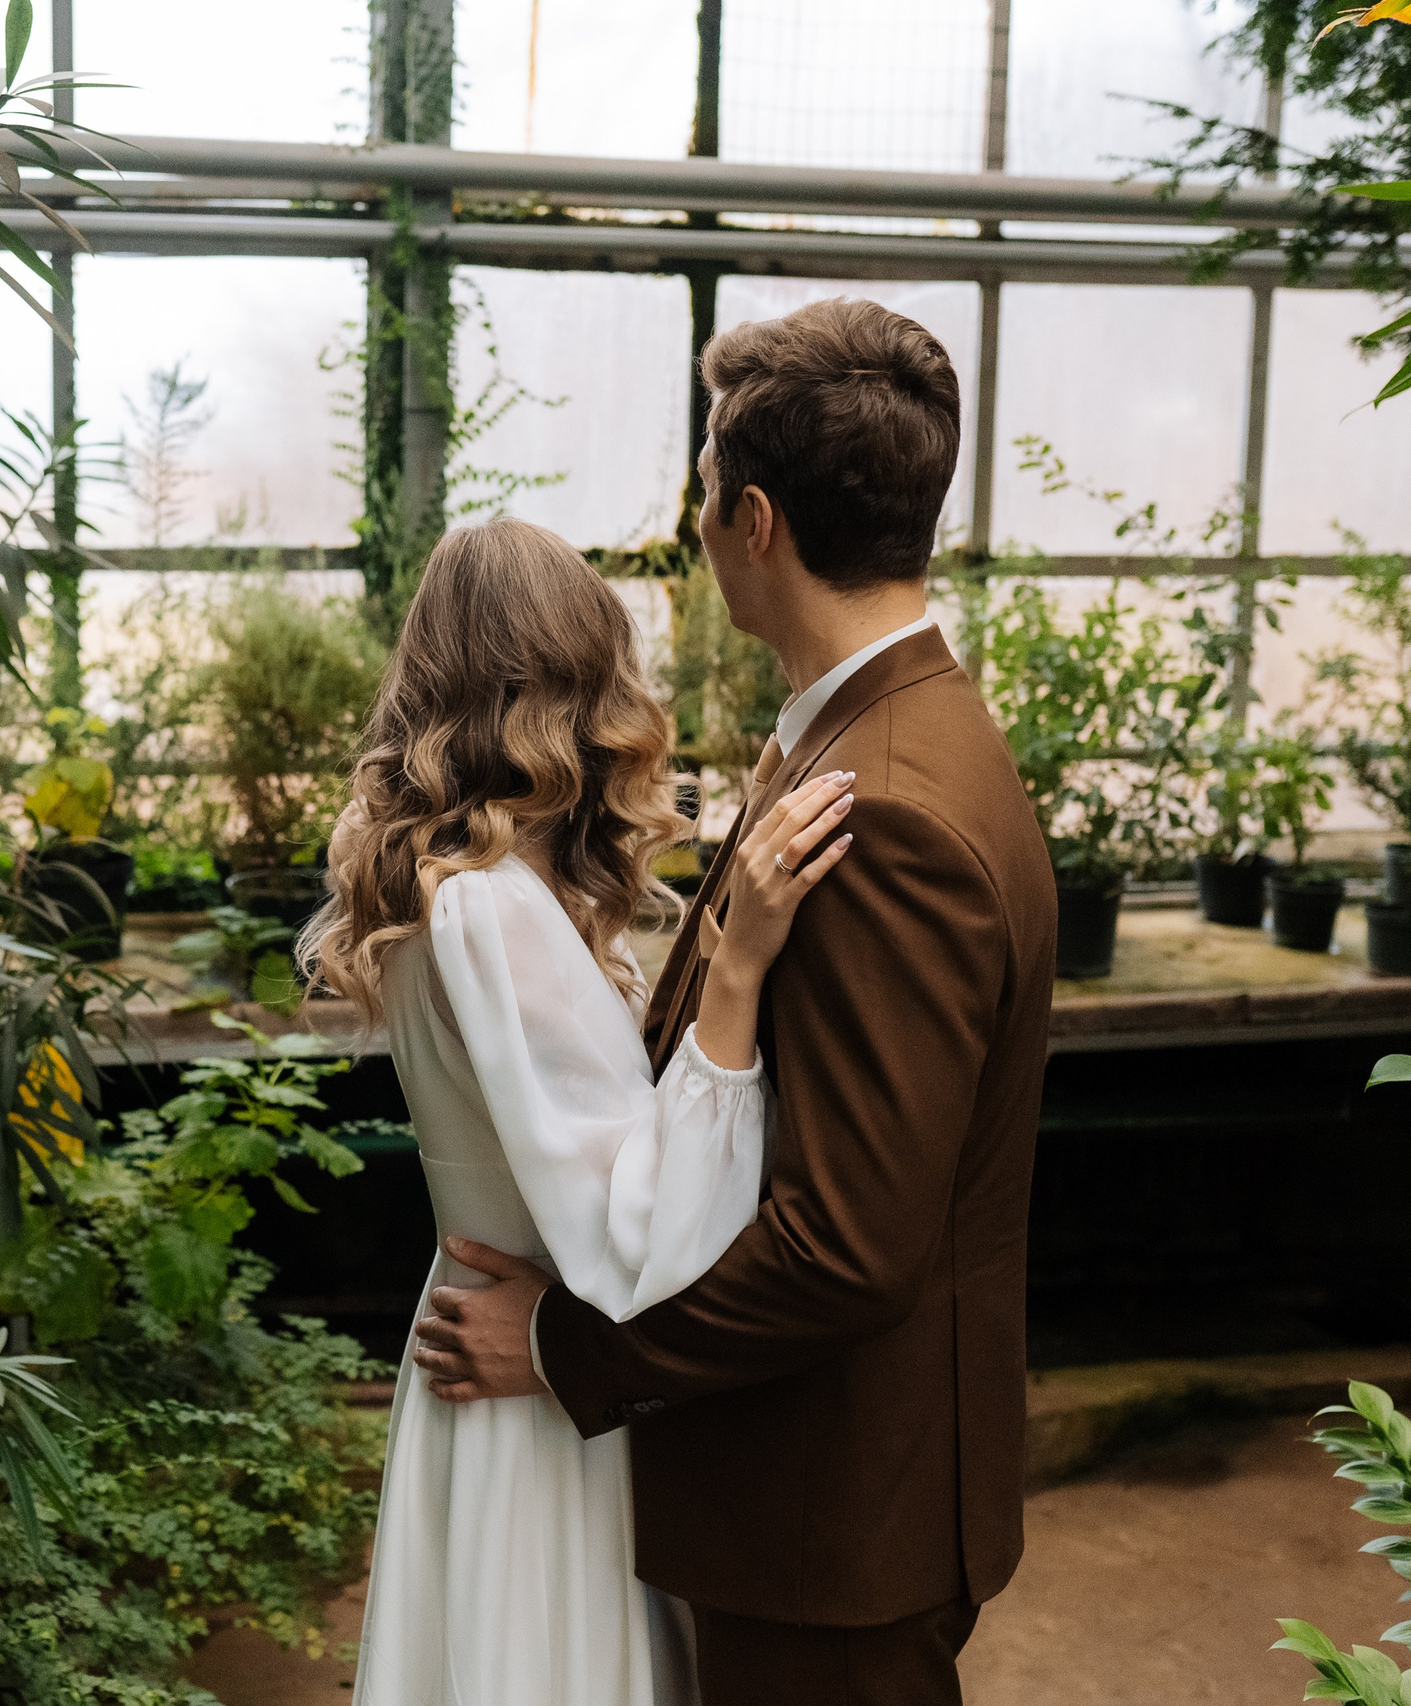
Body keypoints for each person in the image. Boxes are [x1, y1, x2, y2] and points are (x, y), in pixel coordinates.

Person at [406, 297, 1056, 1706]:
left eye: (703, 488)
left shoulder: (889, 811)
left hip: (828, 1514)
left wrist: (570, 1348)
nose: (697, 525)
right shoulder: (867, 736)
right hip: (806, 1494)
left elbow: (846, 1244)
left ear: (751, 518)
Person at [304, 513, 859, 1706]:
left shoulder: (433, 888)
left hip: (486, 1346)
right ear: (572, 685)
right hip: (542, 1380)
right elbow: (643, 1233)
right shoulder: (494, 909)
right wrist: (745, 967)